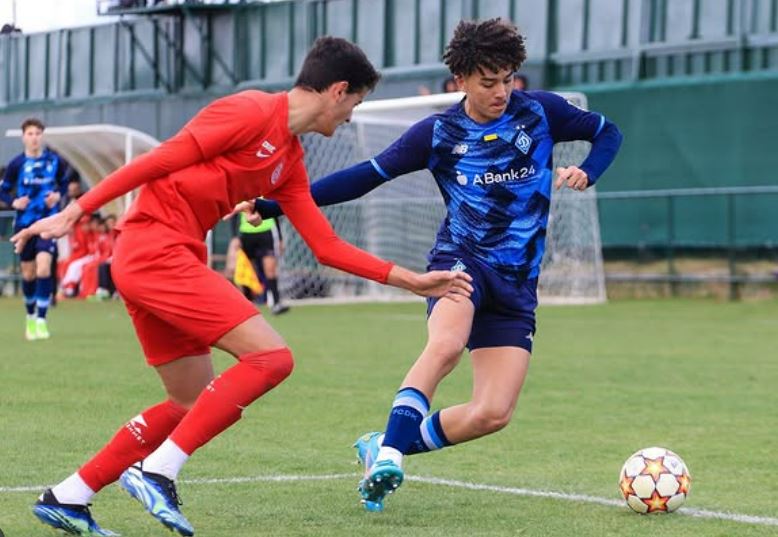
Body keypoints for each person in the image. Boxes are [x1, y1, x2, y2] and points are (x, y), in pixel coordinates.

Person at [12, 36, 472, 537]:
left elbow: (325, 246)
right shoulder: (251, 109)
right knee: (271, 358)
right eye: (355, 104)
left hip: (166, 256)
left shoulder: (290, 161)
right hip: (152, 249)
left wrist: (411, 280)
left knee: (188, 402)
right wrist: (78, 209)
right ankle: (157, 471)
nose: (350, 119)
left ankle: (68, 497)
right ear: (337, 91)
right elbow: (161, 159)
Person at [250, 18, 623, 512]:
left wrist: (588, 170)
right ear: (461, 80)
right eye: (488, 82)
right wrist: (278, 204)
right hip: (460, 264)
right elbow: (364, 178)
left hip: (516, 285)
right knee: (445, 347)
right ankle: (390, 456)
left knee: (493, 413)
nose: (501, 92)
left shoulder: (542, 113)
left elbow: (608, 133)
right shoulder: (439, 133)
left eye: (508, 79)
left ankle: (383, 442)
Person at [1, 118, 70, 340]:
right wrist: (14, 202)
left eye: (38, 133)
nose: (34, 137)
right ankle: (30, 317)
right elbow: (4, 190)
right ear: (23, 137)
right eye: (30, 133)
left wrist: (59, 195)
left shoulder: (54, 161)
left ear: (43, 136)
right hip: (25, 226)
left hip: (48, 223)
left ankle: (42, 320)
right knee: (29, 274)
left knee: (43, 268)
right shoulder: (16, 164)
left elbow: (64, 185)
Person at [237, 211, 289, 314]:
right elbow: (234, 214)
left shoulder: (266, 195)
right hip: (246, 233)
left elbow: (273, 211)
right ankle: (248, 304)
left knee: (270, 269)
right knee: (248, 269)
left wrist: (280, 238)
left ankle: (276, 303)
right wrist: (235, 236)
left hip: (266, 231)